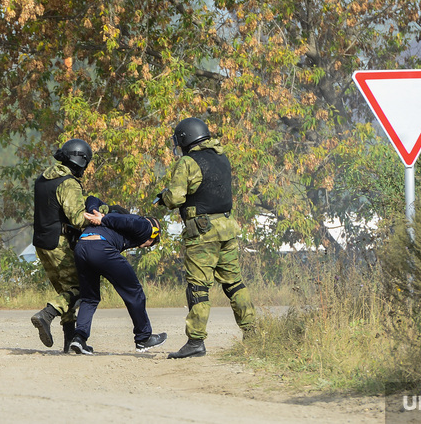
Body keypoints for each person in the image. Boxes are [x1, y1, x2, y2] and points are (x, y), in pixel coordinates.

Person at [156, 117, 255, 359]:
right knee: (234, 283)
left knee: (198, 288)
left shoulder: (188, 162)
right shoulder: (222, 157)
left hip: (202, 232)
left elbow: (177, 198)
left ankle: (195, 342)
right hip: (227, 228)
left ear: (185, 139)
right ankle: (252, 333)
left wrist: (164, 197)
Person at [31, 138, 106, 352]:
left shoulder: (43, 178)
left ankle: (69, 341)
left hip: (42, 243)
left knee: (65, 290)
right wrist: (103, 214)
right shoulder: (68, 182)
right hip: (59, 244)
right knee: (80, 288)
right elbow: (77, 217)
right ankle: (47, 314)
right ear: (80, 161)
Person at [68, 201, 167, 355]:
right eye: (151, 243)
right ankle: (143, 338)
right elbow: (129, 220)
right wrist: (103, 219)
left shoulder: (119, 227)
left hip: (82, 247)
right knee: (134, 292)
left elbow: (92, 198)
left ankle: (79, 338)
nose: (146, 246)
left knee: (90, 298)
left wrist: (94, 210)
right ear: (154, 233)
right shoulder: (145, 226)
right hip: (101, 248)